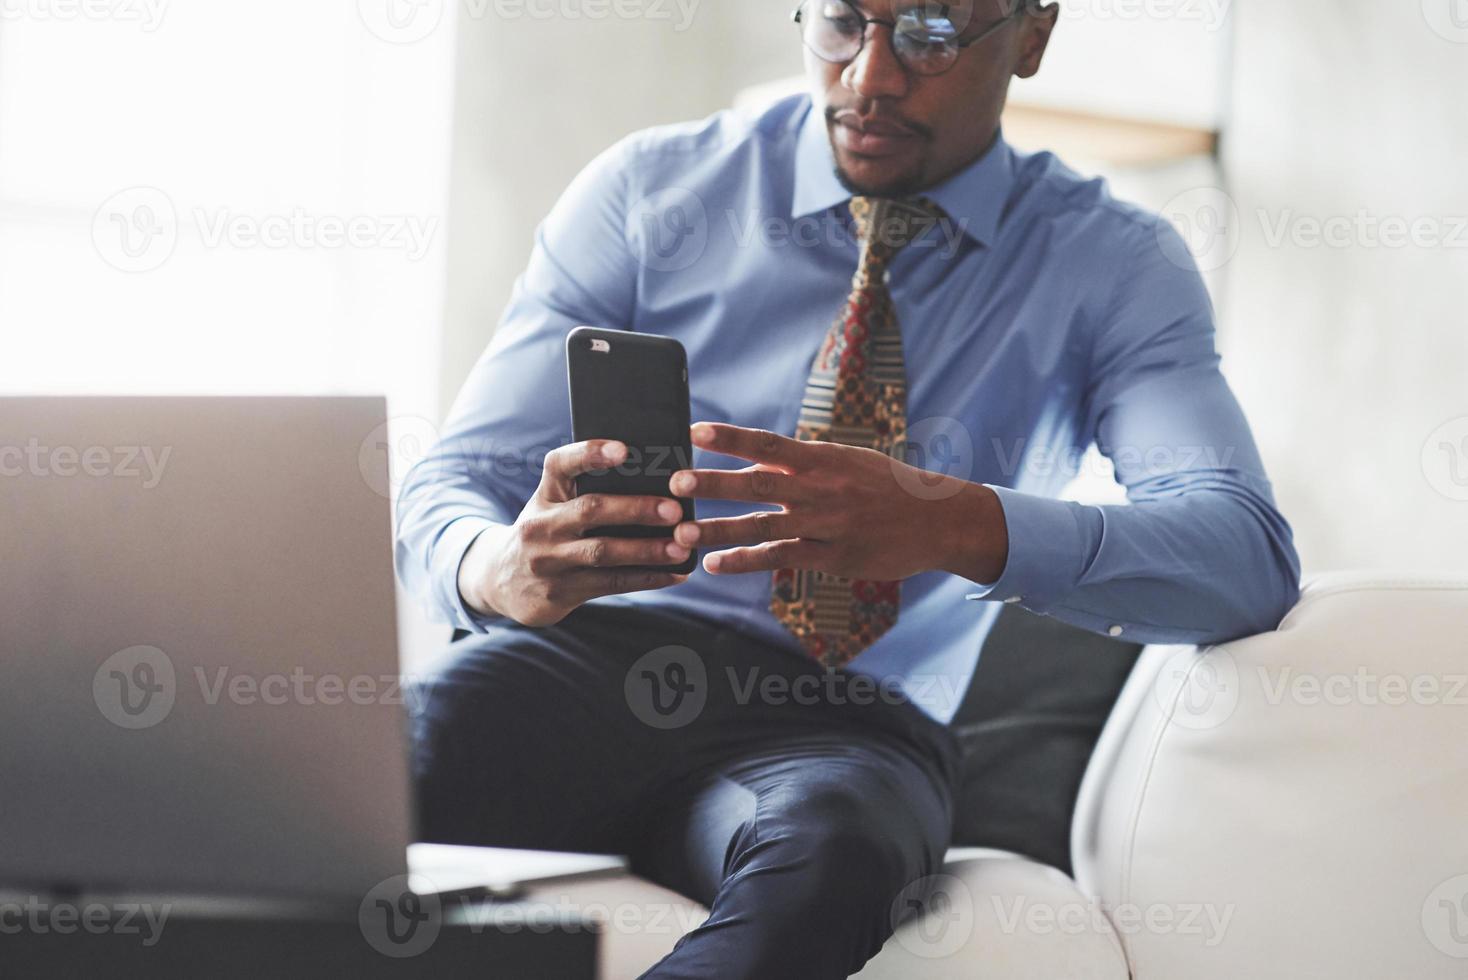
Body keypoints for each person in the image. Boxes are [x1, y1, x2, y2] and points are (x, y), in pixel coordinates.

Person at [395, 1, 1302, 976]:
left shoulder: (1112, 262)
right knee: (363, 772)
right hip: (582, 664)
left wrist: (951, 521)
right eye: (840, 22)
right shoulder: (649, 191)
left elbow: (1243, 554)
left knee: (836, 850)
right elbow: (452, 483)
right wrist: (494, 566)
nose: (868, 76)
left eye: (930, 35)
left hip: (852, 716)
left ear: (1031, 38)